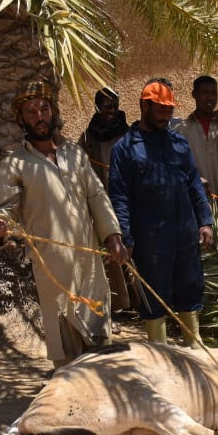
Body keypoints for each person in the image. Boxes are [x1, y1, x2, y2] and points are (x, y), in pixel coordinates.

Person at [0, 81, 129, 368]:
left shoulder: (76, 154)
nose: (39, 116)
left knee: (99, 340)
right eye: (30, 112)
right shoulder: (14, 164)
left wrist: (113, 235)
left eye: (44, 108)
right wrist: (0, 225)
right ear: (21, 120)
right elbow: (5, 210)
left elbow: (97, 196)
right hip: (52, 269)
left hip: (89, 264)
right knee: (66, 351)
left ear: (53, 112)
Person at [108, 78, 214, 346]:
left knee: (190, 288)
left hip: (184, 233)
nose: (167, 116)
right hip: (150, 239)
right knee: (154, 295)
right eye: (160, 110)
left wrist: (205, 221)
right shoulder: (125, 148)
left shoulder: (178, 143)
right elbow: (119, 196)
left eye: (169, 110)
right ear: (144, 106)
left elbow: (194, 183)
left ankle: (194, 349)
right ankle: (160, 352)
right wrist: (126, 238)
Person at [78, 87, 135, 316]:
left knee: (132, 247)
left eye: (114, 106)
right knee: (112, 252)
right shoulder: (87, 138)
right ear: (97, 107)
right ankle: (121, 303)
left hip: (128, 199)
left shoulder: (129, 134)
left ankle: (139, 301)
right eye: (106, 106)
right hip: (102, 202)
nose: (111, 111)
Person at [173, 75, 218, 199]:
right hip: (197, 197)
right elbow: (178, 168)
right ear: (194, 94)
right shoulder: (182, 130)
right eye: (204, 92)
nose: (210, 97)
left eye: (214, 92)